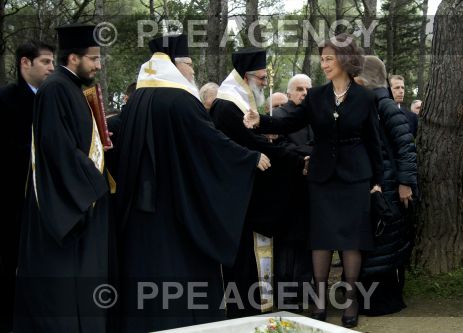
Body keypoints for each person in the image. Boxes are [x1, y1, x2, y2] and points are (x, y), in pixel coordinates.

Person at [114, 34, 270, 332]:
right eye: (189, 63)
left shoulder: (137, 100)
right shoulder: (181, 100)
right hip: (177, 212)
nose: (194, 71)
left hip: (139, 213)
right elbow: (209, 143)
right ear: (175, 64)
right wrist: (248, 158)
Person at [244, 34, 383, 328]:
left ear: (346, 60)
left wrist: (378, 180)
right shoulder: (316, 95)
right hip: (321, 177)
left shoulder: (366, 97)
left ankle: (351, 301)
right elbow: (289, 122)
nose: (324, 64)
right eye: (322, 59)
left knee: (351, 241)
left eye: (329, 58)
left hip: (356, 178)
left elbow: (374, 142)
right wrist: (261, 121)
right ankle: (319, 303)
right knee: (320, 239)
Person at [14, 24, 113, 333]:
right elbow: (58, 150)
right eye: (93, 59)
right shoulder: (56, 89)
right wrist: (94, 186)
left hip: (79, 198)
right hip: (67, 206)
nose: (98, 65)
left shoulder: (71, 87)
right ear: (73, 58)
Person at [210, 47, 307, 318]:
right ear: (246, 76)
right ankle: (244, 310)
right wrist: (298, 160)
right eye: (262, 78)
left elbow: (259, 140)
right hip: (237, 197)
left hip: (248, 192)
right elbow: (249, 144)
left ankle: (254, 307)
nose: (265, 83)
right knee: (243, 260)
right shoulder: (227, 105)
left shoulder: (242, 100)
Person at [355, 55, 417, 315]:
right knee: (378, 243)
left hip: (392, 188)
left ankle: (384, 301)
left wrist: (405, 183)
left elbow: (405, 146)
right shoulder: (372, 103)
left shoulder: (385, 105)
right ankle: (370, 299)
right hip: (378, 185)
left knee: (387, 243)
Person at [0, 39, 54, 333]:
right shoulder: (5, 99)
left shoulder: (53, 97)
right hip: (13, 198)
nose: (51, 68)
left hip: (45, 199)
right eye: (45, 61)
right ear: (25, 63)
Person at [272, 74, 314, 311]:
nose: (304, 93)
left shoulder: (315, 116)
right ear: (289, 93)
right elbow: (279, 147)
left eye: (308, 89)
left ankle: (304, 291)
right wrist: (304, 156)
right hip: (287, 188)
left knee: (308, 242)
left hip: (311, 189)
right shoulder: (279, 116)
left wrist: (308, 154)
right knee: (287, 244)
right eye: (299, 89)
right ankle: (285, 296)